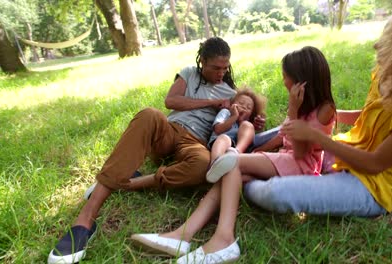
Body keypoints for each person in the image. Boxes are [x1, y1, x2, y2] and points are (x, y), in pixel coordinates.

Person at [244, 0, 392, 217]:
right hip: (346, 151)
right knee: (290, 131)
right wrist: (323, 118)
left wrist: (314, 134)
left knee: (273, 193)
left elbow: (375, 163)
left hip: (370, 186)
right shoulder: (390, 72)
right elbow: (370, 115)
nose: (377, 45)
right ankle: (244, 145)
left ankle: (246, 179)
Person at [48, 37, 259, 264]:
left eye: (225, 68)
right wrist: (210, 103)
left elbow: (237, 121)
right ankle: (85, 221)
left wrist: (254, 122)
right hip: (168, 131)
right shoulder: (189, 73)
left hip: (195, 143)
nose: (220, 72)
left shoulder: (230, 91)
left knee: (201, 165)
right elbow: (171, 101)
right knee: (149, 113)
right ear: (202, 61)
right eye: (215, 67)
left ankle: (130, 182)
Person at [130, 46, 336, 263]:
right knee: (229, 178)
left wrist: (293, 110)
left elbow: (302, 152)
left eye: (286, 76)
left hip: (300, 166)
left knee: (232, 164)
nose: (283, 81)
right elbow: (283, 137)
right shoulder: (303, 105)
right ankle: (181, 236)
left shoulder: (324, 109)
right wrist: (260, 151)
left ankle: (224, 239)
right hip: (286, 160)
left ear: (301, 80)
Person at [206, 88, 266, 179]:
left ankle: (235, 153)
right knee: (224, 138)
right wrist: (234, 117)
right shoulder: (226, 113)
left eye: (248, 108)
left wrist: (243, 121)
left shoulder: (246, 123)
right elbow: (218, 129)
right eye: (241, 103)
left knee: (247, 125)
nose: (244, 107)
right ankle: (215, 165)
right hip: (219, 144)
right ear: (231, 104)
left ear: (251, 114)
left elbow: (248, 136)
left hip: (234, 149)